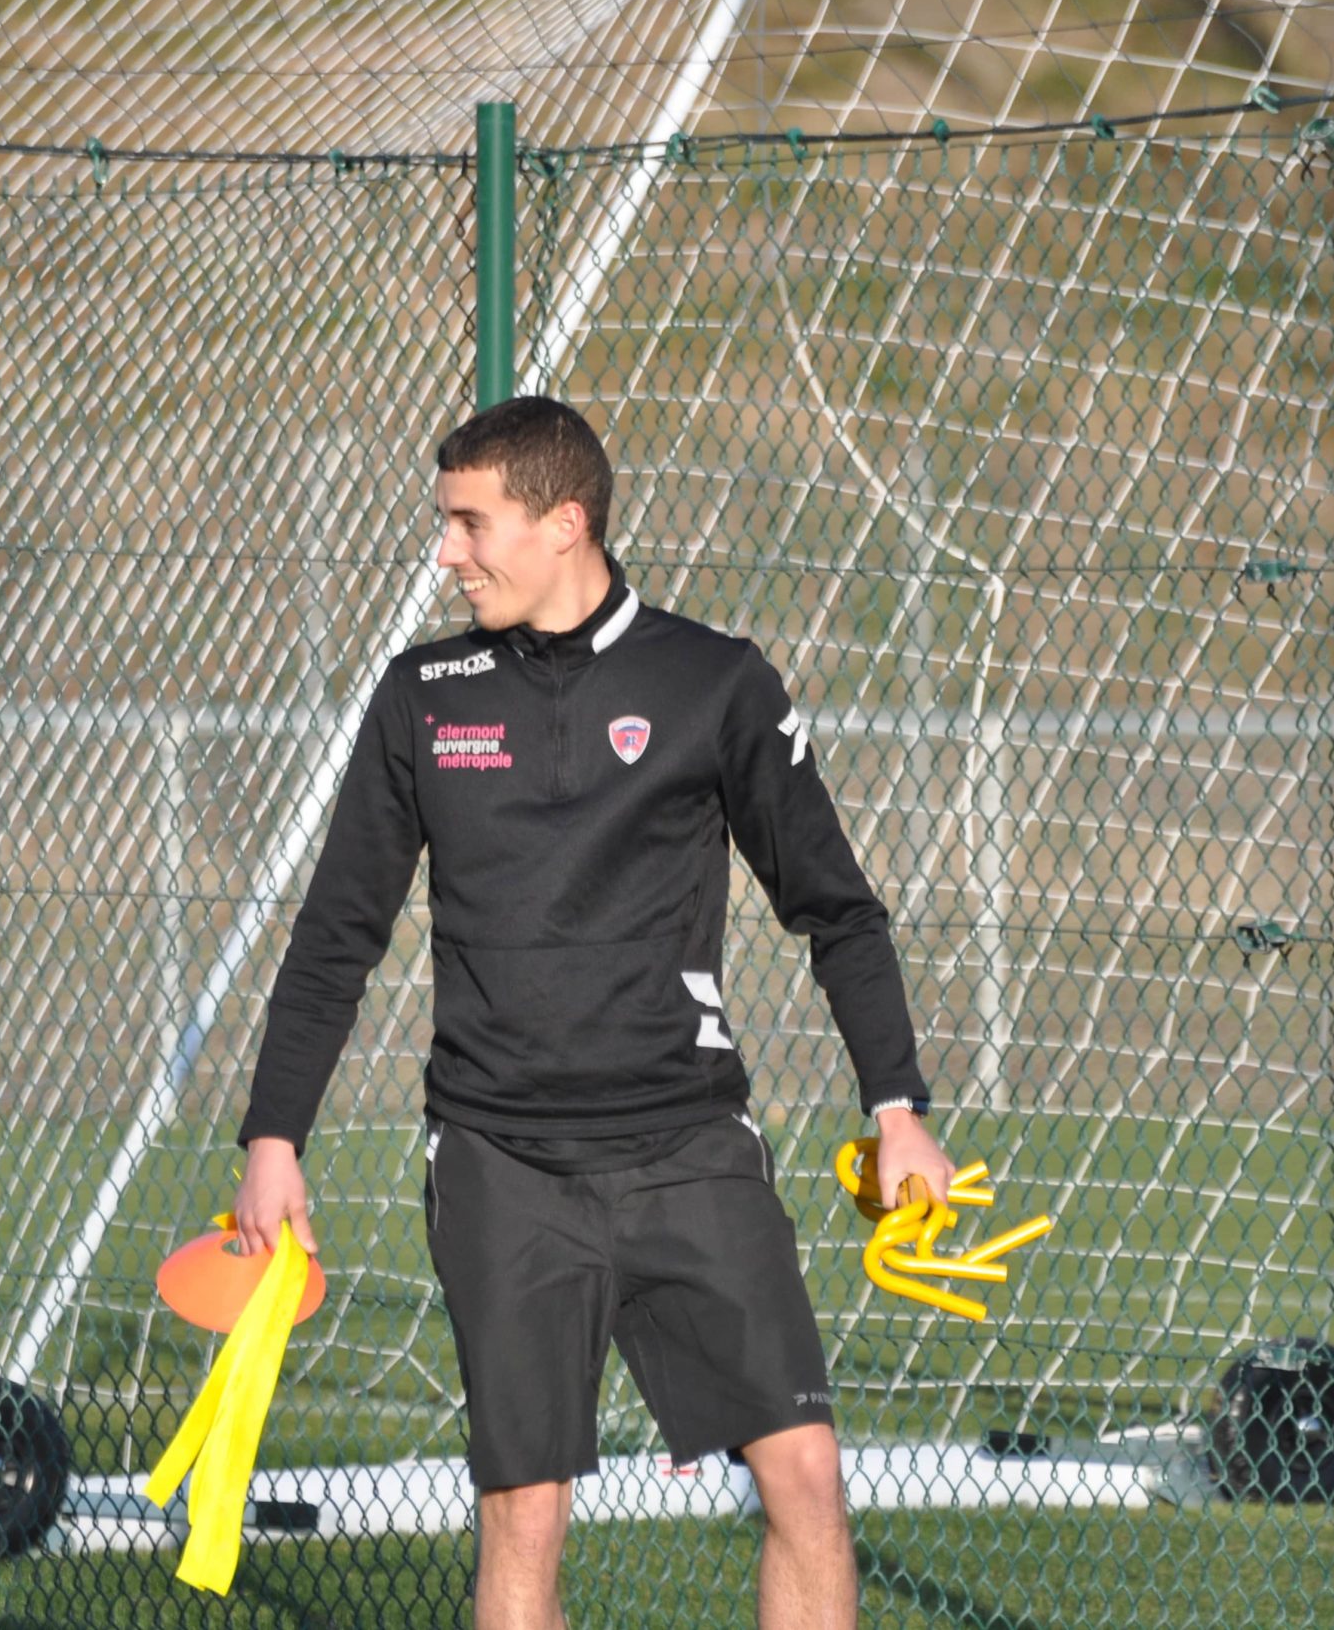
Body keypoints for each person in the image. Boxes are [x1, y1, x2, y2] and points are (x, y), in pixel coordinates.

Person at [233, 395, 953, 1630]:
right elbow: (337, 931)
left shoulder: (712, 680)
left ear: (564, 521)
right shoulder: (422, 695)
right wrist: (272, 1136)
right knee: (523, 1512)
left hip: (689, 1148)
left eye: (471, 523)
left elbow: (838, 909)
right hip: (501, 1158)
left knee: (805, 1479)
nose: (447, 553)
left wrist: (898, 1106)